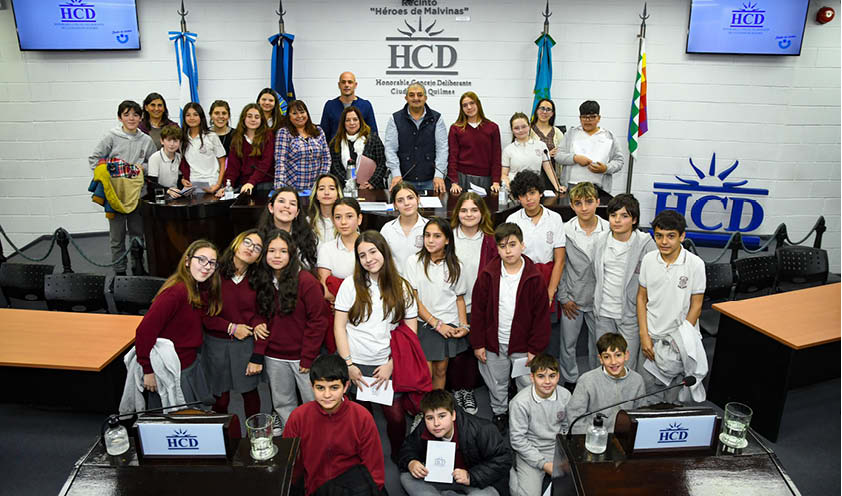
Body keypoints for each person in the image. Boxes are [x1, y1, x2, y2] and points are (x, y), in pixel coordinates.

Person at [333, 230, 418, 461]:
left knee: (396, 417)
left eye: (373, 252)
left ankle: (399, 455)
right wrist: (348, 364)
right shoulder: (350, 285)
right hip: (356, 364)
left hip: (387, 363)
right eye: (362, 255)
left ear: (384, 252)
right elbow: (339, 327)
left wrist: (392, 363)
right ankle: (365, 455)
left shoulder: (402, 286)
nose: (368, 259)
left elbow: (411, 333)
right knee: (361, 417)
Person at [470, 223, 552, 433]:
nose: (508, 251)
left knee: (526, 381)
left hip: (523, 345)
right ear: (497, 249)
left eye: (512, 244)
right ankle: (500, 412)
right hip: (494, 342)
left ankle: (525, 414)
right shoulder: (488, 275)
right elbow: (478, 312)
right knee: (496, 381)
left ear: (522, 245)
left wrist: (535, 349)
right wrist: (478, 344)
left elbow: (541, 317)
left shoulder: (534, 277)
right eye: (502, 246)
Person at [249, 229, 328, 435]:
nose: (277, 256)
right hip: (274, 356)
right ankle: (292, 438)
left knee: (312, 401)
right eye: (271, 251)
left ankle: (316, 437)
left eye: (283, 251)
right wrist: (257, 323)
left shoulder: (306, 281)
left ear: (292, 254)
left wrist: (308, 357)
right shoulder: (262, 279)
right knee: (283, 403)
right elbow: (257, 311)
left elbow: (318, 321)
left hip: (302, 356)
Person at [131, 239, 221, 408]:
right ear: (187, 261)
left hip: (189, 363)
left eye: (212, 263)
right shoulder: (176, 292)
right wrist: (148, 370)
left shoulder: (197, 288)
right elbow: (144, 331)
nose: (207, 266)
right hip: (174, 370)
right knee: (179, 417)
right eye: (201, 260)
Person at [283, 354, 385, 495]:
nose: (327, 395)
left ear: (346, 386)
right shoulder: (298, 417)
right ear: (312, 387)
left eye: (334, 387)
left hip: (354, 490)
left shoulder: (362, 417)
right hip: (315, 489)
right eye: (320, 388)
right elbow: (291, 465)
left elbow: (374, 469)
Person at [637, 210, 707, 404]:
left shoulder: (695, 264)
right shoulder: (649, 259)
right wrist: (644, 335)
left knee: (674, 399)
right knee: (647, 394)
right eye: (659, 236)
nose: (664, 242)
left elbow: (697, 305)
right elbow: (641, 298)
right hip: (652, 338)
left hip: (680, 342)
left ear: (682, 237)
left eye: (671, 236)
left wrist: (680, 341)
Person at [200, 229, 265, 422]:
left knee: (250, 394)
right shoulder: (213, 273)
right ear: (236, 243)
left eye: (257, 248)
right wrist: (231, 328)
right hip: (216, 345)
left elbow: (258, 314)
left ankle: (255, 433)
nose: (250, 248)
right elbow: (204, 314)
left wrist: (257, 325)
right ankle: (223, 435)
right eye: (247, 242)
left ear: (259, 257)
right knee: (220, 399)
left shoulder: (258, 279)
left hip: (245, 344)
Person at [88, 99, 156, 276]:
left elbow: (154, 163)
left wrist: (141, 168)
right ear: (120, 117)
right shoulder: (111, 137)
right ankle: (120, 272)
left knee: (137, 234)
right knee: (117, 237)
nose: (131, 118)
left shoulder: (146, 140)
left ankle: (138, 267)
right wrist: (109, 172)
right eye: (127, 115)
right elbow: (94, 159)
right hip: (115, 196)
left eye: (135, 115)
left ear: (140, 118)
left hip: (137, 195)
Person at [398, 389, 511, 496]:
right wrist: (411, 462)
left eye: (442, 416)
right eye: (430, 418)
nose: (436, 423)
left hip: (472, 478)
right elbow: (408, 447)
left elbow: (503, 460)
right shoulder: (426, 426)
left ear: (453, 415)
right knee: (406, 477)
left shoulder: (483, 429)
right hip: (440, 476)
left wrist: (471, 476)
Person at [592, 193, 656, 371]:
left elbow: (654, 281)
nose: (617, 220)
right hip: (604, 312)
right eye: (613, 215)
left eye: (624, 216)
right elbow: (594, 273)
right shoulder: (600, 240)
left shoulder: (646, 244)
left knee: (626, 365)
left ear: (634, 220)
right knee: (605, 363)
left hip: (630, 315)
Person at [405, 217, 469, 391]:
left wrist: (464, 326)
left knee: (441, 371)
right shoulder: (413, 262)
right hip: (424, 323)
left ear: (447, 240)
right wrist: (436, 324)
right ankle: (424, 405)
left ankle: (437, 404)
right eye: (427, 235)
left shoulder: (457, 265)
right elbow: (413, 300)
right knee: (425, 373)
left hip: (448, 323)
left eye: (437, 236)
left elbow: (459, 298)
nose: (430, 240)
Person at [448, 192, 497, 414]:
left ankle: (467, 390)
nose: (469, 214)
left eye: (474, 210)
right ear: (457, 213)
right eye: (464, 210)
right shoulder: (449, 237)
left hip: (478, 305)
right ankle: (455, 390)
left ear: (482, 213)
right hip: (451, 303)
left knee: (471, 349)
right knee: (455, 352)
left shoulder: (490, 240)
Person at [558, 182, 609, 390]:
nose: (584, 208)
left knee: (598, 344)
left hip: (599, 300)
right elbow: (560, 266)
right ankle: (570, 380)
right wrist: (564, 297)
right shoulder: (565, 230)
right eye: (578, 203)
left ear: (598, 202)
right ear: (572, 205)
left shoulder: (609, 229)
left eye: (589, 202)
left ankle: (596, 380)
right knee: (567, 344)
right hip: (572, 300)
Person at [508, 354, 572, 496]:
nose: (547, 382)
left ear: (558, 376)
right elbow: (518, 440)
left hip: (558, 449)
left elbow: (568, 427)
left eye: (552, 376)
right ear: (532, 378)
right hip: (531, 451)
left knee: (577, 486)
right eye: (541, 376)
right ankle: (514, 472)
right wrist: (543, 464)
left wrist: (565, 452)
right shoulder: (519, 403)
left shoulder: (565, 396)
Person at [565, 333, 646, 434]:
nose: (613, 362)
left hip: (625, 437)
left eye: (618, 355)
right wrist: (592, 436)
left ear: (626, 355)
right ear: (601, 359)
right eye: (607, 357)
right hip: (594, 436)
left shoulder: (637, 380)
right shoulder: (586, 380)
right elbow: (574, 415)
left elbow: (641, 415)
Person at [506, 171, 566, 309]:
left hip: (548, 278)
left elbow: (560, 260)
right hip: (520, 278)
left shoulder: (554, 218)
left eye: (532, 193)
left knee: (546, 321)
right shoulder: (512, 220)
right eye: (523, 195)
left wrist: (550, 293)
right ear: (518, 198)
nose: (529, 199)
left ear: (540, 193)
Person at [384, 83, 448, 194]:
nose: (416, 98)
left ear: (425, 98)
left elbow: (442, 149)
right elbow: (390, 149)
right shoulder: (395, 119)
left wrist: (439, 175)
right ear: (406, 98)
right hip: (403, 180)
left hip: (432, 180)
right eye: (411, 95)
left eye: (420, 95)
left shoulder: (437, 118)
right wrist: (396, 173)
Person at [556, 100, 624, 192]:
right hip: (572, 187)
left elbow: (619, 161)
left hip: (598, 188)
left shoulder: (608, 136)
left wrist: (605, 168)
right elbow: (558, 156)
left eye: (592, 117)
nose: (588, 120)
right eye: (584, 117)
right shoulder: (571, 134)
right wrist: (575, 158)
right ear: (580, 118)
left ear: (599, 118)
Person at [447, 92, 502, 195]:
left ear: (478, 104)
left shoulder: (492, 127)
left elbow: (496, 157)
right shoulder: (456, 128)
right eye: (465, 105)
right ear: (461, 109)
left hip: (486, 179)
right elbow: (452, 157)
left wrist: (496, 181)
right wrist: (454, 182)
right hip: (462, 179)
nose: (469, 107)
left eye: (472, 103)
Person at [274, 100, 331, 191]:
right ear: (289, 116)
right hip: (293, 188)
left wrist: (321, 182)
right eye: (294, 113)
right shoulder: (284, 132)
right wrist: (280, 189)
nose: (299, 116)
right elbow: (281, 162)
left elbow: (326, 158)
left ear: (307, 113)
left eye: (302, 112)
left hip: (316, 188)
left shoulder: (318, 130)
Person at [257, 187, 319, 271]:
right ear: (271, 207)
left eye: (292, 204)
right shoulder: (259, 238)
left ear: (297, 212)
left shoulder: (308, 237)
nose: (286, 206)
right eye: (281, 201)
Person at [219, 103, 274, 196]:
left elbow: (265, 163)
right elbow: (233, 167)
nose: (253, 119)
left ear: (261, 119)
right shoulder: (237, 137)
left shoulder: (268, 136)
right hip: (244, 185)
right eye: (249, 116)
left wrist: (251, 182)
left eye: (257, 117)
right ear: (243, 118)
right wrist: (227, 186)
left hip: (265, 184)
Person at [329, 106, 388, 190]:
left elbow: (382, 163)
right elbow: (335, 168)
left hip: (372, 188)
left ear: (360, 121)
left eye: (355, 119)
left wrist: (371, 183)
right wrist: (354, 184)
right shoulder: (336, 142)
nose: (352, 123)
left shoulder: (373, 139)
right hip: (346, 189)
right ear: (343, 123)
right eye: (348, 120)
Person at [317, 197, 362, 306]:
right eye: (338, 217)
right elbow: (324, 288)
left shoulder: (371, 246)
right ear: (333, 220)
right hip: (338, 305)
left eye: (349, 216)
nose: (343, 222)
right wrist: (343, 306)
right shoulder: (327, 249)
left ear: (359, 219)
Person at [501, 112, 559, 192]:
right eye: (516, 128)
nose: (521, 130)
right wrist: (511, 189)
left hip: (535, 190)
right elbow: (504, 175)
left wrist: (558, 187)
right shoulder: (508, 150)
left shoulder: (541, 145)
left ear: (529, 126)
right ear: (512, 130)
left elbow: (549, 169)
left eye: (524, 127)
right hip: (515, 191)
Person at [380, 182, 429, 276]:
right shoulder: (387, 228)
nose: (406, 203)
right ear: (395, 205)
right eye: (400, 200)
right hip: (395, 280)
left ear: (418, 199)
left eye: (410, 198)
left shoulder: (429, 227)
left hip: (422, 280)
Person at [179, 102, 226, 193]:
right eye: (188, 115)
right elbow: (185, 164)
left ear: (201, 117)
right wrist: (183, 179)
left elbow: (223, 162)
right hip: (192, 186)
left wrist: (218, 185)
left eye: (195, 114)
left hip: (212, 183)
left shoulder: (211, 136)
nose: (192, 118)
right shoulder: (182, 139)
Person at [320, 71, 379, 144]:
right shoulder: (330, 105)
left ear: (355, 85)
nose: (346, 85)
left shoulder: (365, 105)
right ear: (339, 85)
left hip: (361, 149)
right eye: (343, 82)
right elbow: (324, 134)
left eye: (350, 82)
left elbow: (373, 133)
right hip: (335, 149)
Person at [147, 125, 184, 197]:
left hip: (175, 195)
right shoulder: (155, 158)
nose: (172, 144)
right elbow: (152, 184)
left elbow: (179, 181)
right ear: (162, 141)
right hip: (160, 196)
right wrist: (168, 190)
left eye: (175, 141)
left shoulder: (179, 157)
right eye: (169, 140)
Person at [307, 173, 342, 246]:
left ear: (338, 194)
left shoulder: (345, 221)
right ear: (316, 195)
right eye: (321, 189)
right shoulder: (308, 222)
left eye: (331, 188)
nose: (326, 193)